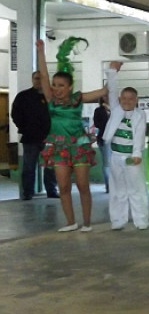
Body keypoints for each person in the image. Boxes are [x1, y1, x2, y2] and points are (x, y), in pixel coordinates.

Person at [36, 38, 107, 232]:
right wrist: (41, 53)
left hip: (79, 146)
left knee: (83, 185)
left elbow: (102, 91)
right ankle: (70, 222)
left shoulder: (78, 98)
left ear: (69, 87)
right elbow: (43, 75)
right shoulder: (51, 100)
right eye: (54, 85)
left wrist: (113, 72)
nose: (56, 89)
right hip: (59, 148)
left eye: (60, 85)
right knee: (64, 186)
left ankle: (87, 222)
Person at [104, 62, 149, 230]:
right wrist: (113, 71)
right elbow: (112, 89)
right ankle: (118, 220)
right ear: (119, 99)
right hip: (115, 156)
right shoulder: (115, 109)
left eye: (131, 99)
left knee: (136, 189)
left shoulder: (139, 115)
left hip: (132, 157)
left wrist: (137, 154)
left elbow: (139, 134)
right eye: (124, 98)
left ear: (136, 100)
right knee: (117, 190)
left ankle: (141, 220)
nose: (127, 101)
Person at [11, 70, 58, 200]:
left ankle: (51, 190)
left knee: (50, 167)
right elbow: (15, 114)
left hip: (49, 138)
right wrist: (24, 128)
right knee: (28, 167)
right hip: (30, 138)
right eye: (36, 78)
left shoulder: (51, 97)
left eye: (40, 78)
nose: (38, 81)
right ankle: (27, 192)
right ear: (32, 80)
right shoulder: (23, 96)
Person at [93, 94, 111, 193]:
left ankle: (116, 185)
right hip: (104, 138)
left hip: (116, 139)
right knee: (107, 163)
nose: (107, 98)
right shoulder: (99, 110)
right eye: (104, 96)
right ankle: (109, 185)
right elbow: (97, 124)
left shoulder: (116, 109)